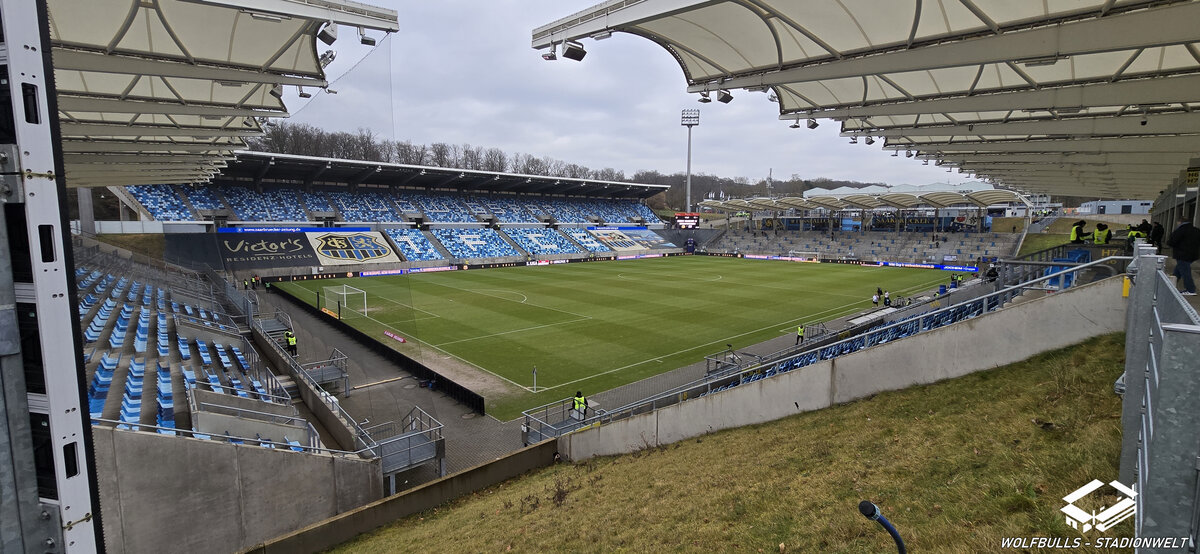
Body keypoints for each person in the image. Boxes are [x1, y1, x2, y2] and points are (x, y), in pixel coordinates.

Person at [1165, 221, 1200, 296]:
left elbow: (1172, 240)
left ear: (1180, 222)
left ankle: (1191, 289)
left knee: (1185, 272)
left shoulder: (1181, 230)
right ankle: (1171, 284)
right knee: (1179, 269)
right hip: (1193, 254)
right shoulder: (1196, 230)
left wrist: (1170, 243)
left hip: (1182, 254)